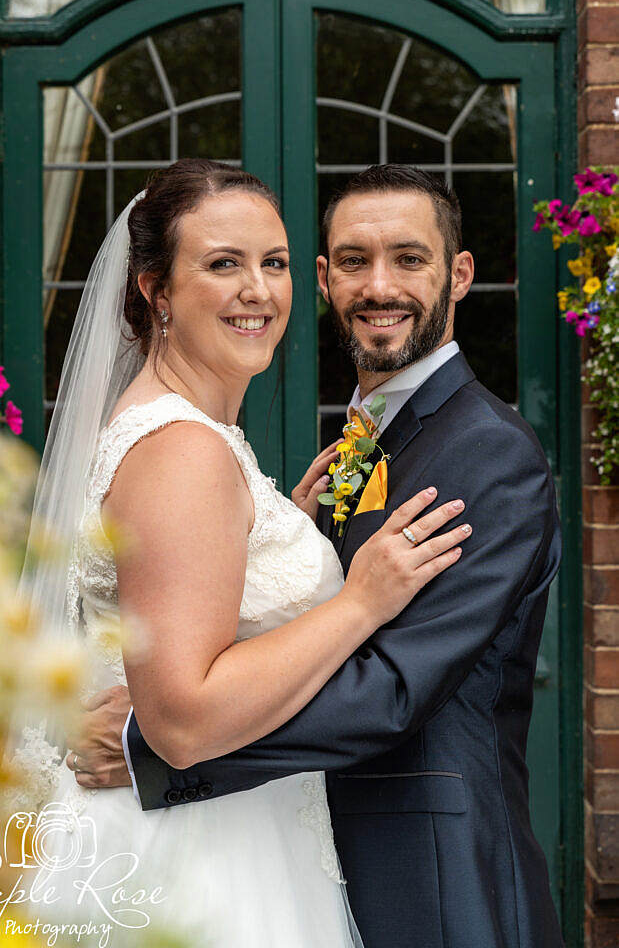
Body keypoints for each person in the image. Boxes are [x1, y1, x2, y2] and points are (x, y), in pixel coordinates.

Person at [72, 165, 564, 948]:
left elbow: (396, 684)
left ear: (459, 274)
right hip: (273, 856)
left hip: (430, 867)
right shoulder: (314, 444)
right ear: (327, 278)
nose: (380, 287)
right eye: (352, 261)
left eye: (409, 259)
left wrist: (152, 746)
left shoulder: (483, 450)